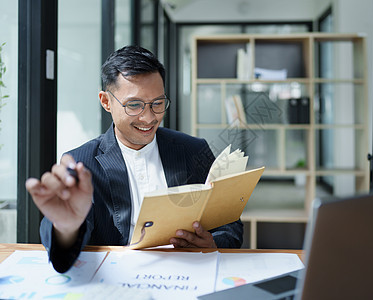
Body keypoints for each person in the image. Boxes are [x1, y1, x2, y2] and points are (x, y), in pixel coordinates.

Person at [25, 45, 243, 273]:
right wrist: (67, 228)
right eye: (134, 105)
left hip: (189, 274)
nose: (148, 117)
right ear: (106, 102)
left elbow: (229, 223)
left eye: (157, 103)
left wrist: (213, 244)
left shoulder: (193, 150)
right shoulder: (82, 161)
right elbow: (64, 252)